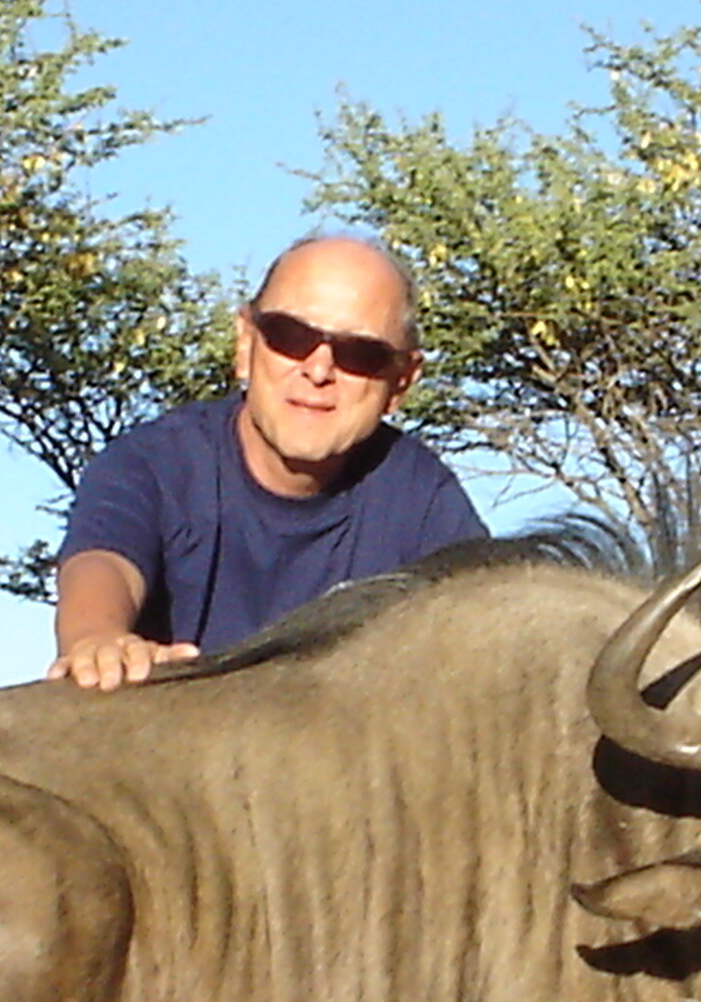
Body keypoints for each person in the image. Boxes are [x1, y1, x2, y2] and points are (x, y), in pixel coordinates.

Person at [50, 234, 486, 690]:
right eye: (290, 337)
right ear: (246, 344)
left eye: (360, 353)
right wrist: (98, 639)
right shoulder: (154, 460)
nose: (318, 371)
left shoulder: (422, 496)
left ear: (401, 382)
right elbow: (104, 558)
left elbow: (482, 622)